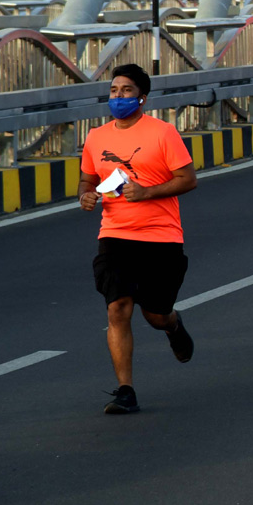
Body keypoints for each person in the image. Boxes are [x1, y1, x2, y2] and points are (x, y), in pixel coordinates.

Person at [78, 63, 197, 415]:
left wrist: (147, 193)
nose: (118, 96)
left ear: (142, 98)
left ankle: (172, 325)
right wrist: (85, 195)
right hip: (115, 233)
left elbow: (188, 179)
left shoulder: (162, 133)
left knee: (155, 315)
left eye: (126, 90)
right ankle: (125, 390)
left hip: (161, 236)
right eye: (114, 90)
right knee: (118, 308)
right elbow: (87, 180)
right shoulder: (97, 137)